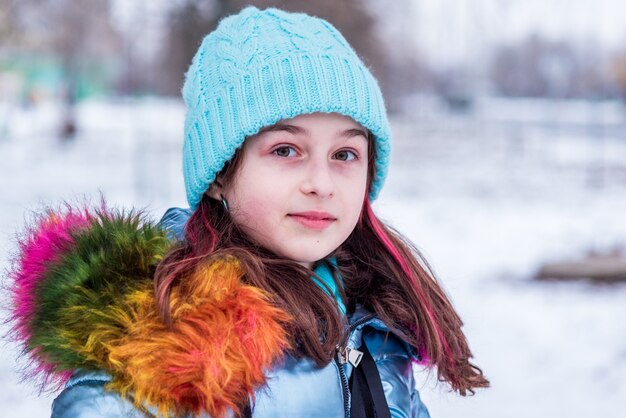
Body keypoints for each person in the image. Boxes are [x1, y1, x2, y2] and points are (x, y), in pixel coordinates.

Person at [7, 6, 489, 418]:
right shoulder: (168, 340)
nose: (321, 184)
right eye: (285, 150)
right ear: (220, 173)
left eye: (345, 155)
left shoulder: (378, 317)